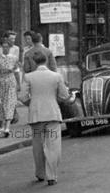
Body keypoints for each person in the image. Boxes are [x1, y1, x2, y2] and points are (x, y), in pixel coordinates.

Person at [19, 50, 75, 185]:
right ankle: (52, 175)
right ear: (47, 61)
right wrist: (71, 98)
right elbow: (64, 96)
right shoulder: (56, 76)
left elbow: (22, 97)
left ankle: (40, 173)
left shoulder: (28, 77)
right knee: (53, 145)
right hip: (52, 114)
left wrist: (31, 104)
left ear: (34, 62)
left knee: (37, 145)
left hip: (36, 115)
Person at [0, 36, 20, 137]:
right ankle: (1, 126)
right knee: (0, 103)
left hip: (10, 81)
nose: (5, 49)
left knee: (9, 102)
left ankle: (7, 127)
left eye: (7, 47)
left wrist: (18, 84)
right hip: (0, 81)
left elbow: (17, 71)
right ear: (0, 47)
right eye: (3, 47)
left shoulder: (14, 58)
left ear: (10, 48)